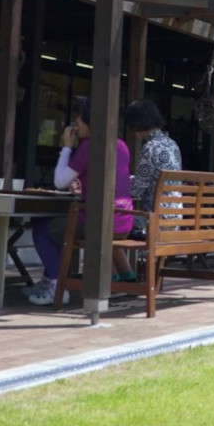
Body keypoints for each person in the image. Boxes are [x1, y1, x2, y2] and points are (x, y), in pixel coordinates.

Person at [28, 96, 134, 306]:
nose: (76, 121)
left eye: (79, 118)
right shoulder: (121, 145)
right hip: (124, 220)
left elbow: (59, 181)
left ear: (89, 121)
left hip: (99, 221)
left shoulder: (89, 146)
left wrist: (67, 146)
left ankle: (58, 287)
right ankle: (49, 281)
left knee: (41, 229)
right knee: (60, 228)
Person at [123, 98, 182, 236]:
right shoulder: (172, 145)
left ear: (138, 123)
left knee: (112, 222)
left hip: (154, 220)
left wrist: (119, 181)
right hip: (175, 218)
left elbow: (137, 190)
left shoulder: (150, 147)